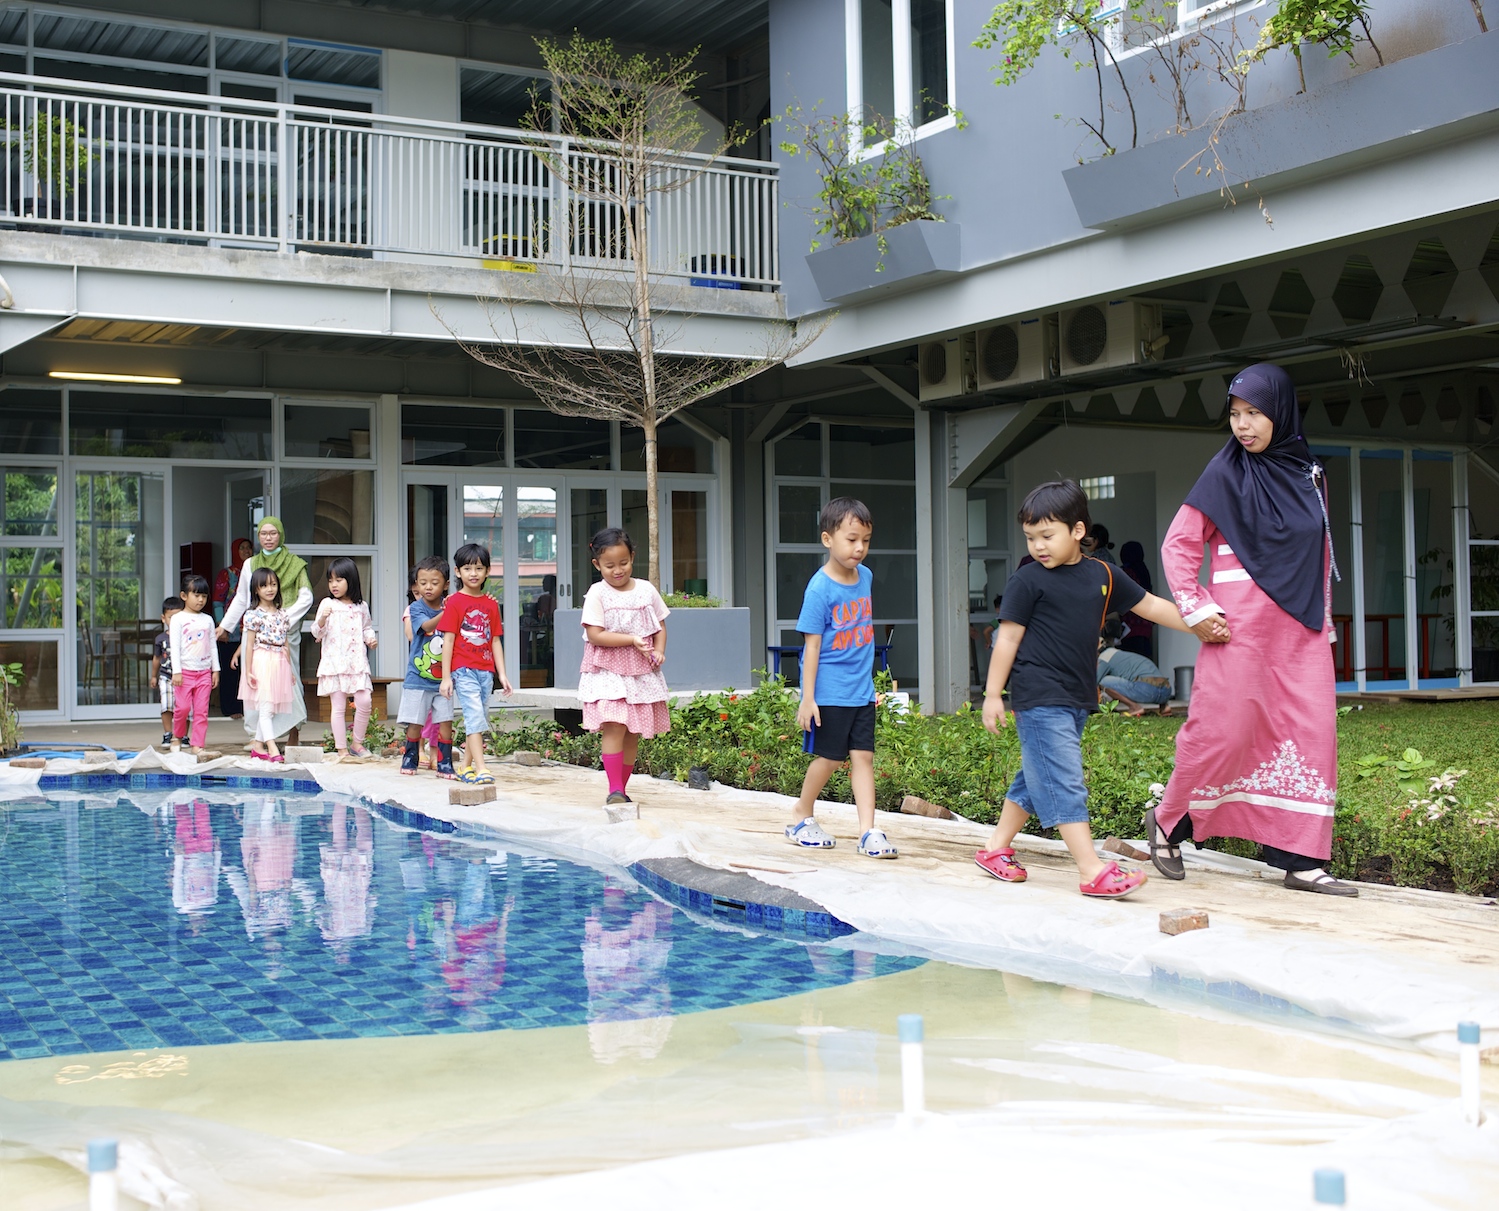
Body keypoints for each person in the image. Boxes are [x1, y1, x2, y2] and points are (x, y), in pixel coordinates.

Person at [1148, 364, 1354, 895]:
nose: (1242, 425)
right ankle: (1168, 822)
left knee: (1309, 737)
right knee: (1222, 732)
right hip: (1237, 633)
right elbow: (1180, 545)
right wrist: (1195, 608)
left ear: (1280, 413)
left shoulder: (1310, 473)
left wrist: (1324, 622)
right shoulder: (1224, 474)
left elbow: (1319, 550)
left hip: (1300, 634)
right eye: (1235, 414)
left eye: (1254, 413)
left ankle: (1302, 861)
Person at [975, 480, 1203, 898]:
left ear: (1078, 531)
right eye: (1030, 537)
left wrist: (1201, 623)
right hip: (1039, 693)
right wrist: (992, 694)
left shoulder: (1102, 574)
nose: (1038, 546)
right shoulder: (1027, 581)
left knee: (1036, 774)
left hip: (1077, 695)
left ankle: (993, 849)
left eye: (1047, 535)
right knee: (1063, 779)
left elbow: (1149, 605)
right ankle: (1091, 870)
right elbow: (1005, 639)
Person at [785, 497, 897, 859]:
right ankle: (801, 815)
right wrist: (808, 697)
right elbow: (812, 648)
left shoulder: (865, 576)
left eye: (865, 539)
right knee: (830, 758)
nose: (859, 548)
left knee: (863, 757)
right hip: (830, 691)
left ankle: (868, 831)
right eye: (851, 539)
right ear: (827, 539)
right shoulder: (820, 590)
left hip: (861, 690)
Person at [577, 527, 671, 815]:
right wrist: (631, 640)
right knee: (615, 725)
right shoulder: (597, 593)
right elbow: (595, 635)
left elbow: (660, 626)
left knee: (633, 732)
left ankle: (622, 788)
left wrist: (659, 650)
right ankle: (614, 789)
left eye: (623, 563)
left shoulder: (646, 590)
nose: (617, 570)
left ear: (632, 557)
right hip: (607, 671)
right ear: (597, 565)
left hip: (641, 673)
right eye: (609, 566)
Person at [217, 519, 313, 747]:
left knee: (290, 681)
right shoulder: (251, 563)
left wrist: (283, 618)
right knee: (254, 682)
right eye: (263, 534)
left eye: (273, 533)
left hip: (285, 633)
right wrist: (225, 626)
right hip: (259, 632)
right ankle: (256, 736)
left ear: (281, 534)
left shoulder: (295, 563)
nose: (268, 538)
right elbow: (242, 598)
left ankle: (293, 733)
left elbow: (306, 595)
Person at [438, 543, 513, 784]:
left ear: (488, 571)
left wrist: (502, 675)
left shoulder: (491, 604)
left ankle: (465, 766)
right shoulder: (454, 602)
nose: (473, 573)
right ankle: (482, 768)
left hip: (485, 672)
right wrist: (446, 676)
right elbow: (447, 640)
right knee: (474, 717)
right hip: (463, 670)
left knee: (478, 717)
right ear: (458, 572)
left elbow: (495, 641)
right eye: (467, 568)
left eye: (479, 568)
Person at [312, 556, 379, 760]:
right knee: (338, 707)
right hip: (335, 665)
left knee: (364, 701)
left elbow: (366, 627)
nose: (334, 585)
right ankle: (342, 749)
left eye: (339, 580)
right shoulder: (327, 604)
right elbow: (316, 632)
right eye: (331, 580)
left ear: (351, 580)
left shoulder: (361, 606)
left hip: (357, 664)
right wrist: (323, 617)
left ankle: (357, 743)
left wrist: (371, 639)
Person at [399, 555, 456, 778]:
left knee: (445, 722)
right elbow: (426, 625)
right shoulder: (415, 608)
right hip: (417, 678)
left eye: (434, 582)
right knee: (415, 722)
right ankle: (410, 758)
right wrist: (447, 611)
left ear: (446, 584)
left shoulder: (453, 605)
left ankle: (444, 763)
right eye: (423, 583)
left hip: (445, 679)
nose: (428, 587)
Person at [240, 567, 298, 763]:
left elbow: (286, 643)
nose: (269, 589)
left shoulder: (283, 614)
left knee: (271, 708)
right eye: (264, 585)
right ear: (256, 589)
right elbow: (248, 645)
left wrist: (289, 669)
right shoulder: (253, 615)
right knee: (265, 707)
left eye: (273, 584)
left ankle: (257, 745)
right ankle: (272, 748)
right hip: (262, 660)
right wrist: (247, 671)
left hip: (279, 662)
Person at [169, 575, 220, 756]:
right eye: (196, 595)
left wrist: (216, 670)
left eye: (204, 596)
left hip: (204, 673)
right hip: (184, 673)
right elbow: (174, 646)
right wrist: (177, 672)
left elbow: (212, 645)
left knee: (201, 711)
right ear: (184, 596)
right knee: (182, 708)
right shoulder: (177, 619)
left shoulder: (207, 619)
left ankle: (198, 744)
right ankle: (178, 736)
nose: (200, 600)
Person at [1097, 619, 1173, 716]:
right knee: (1146, 674)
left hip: (1148, 691)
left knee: (1104, 681)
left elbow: (1093, 682)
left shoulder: (1105, 657)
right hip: (1166, 691)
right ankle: (1165, 707)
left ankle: (1134, 707)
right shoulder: (1126, 656)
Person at [213, 537, 253, 718]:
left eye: (249, 548)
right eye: (242, 548)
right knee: (230, 673)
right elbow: (217, 602)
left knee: (247, 671)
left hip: (250, 630)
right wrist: (223, 627)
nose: (246, 551)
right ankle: (230, 709)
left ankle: (246, 709)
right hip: (230, 632)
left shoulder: (255, 571)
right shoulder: (227, 574)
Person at [152, 594, 183, 749]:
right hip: (166, 676)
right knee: (166, 705)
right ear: (163, 618)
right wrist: (153, 676)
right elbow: (157, 658)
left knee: (185, 707)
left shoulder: (187, 637)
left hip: (185, 677)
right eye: (172, 618)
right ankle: (168, 733)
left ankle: (182, 735)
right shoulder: (160, 638)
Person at [1117, 541, 1156, 658]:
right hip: (1146, 624)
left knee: (1131, 661)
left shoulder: (1126, 572)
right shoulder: (1143, 571)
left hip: (1130, 626)